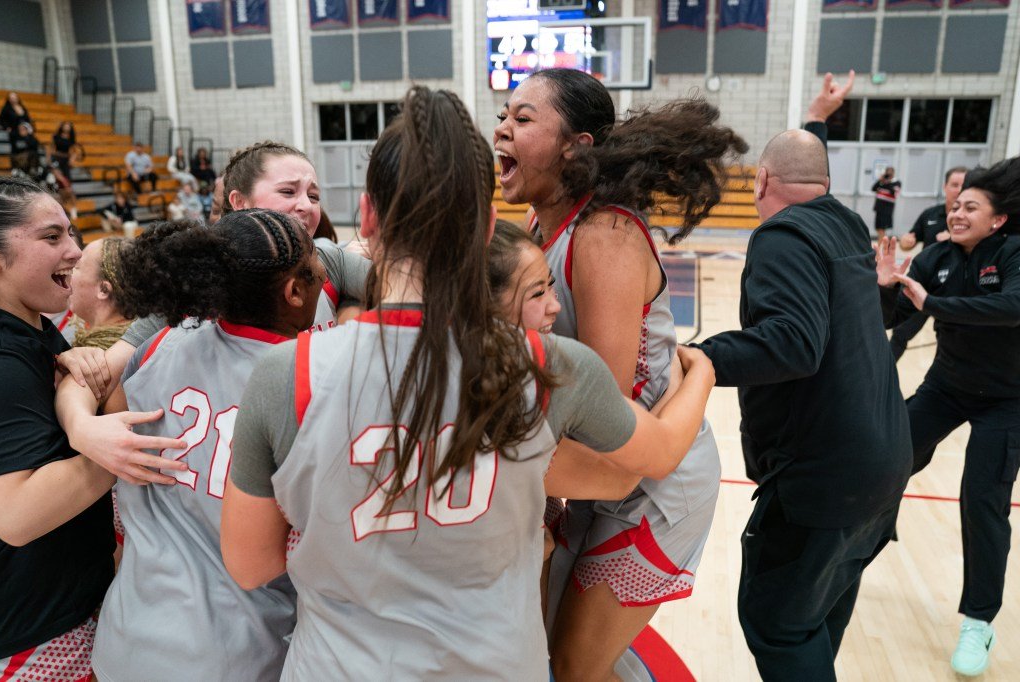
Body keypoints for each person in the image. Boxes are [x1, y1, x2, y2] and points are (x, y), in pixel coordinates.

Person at [217, 85, 716, 680]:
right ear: (489, 232)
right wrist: (703, 372)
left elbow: (250, 565)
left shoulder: (283, 374)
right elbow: (644, 462)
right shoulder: (553, 366)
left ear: (367, 216)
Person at [494, 67, 744, 678]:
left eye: (522, 118)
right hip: (599, 466)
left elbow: (599, 403)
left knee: (574, 664)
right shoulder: (537, 227)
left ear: (575, 146)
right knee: (557, 648)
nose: (501, 128)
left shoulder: (604, 232)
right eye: (503, 115)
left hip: (653, 475)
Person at [694, 73, 913, 682]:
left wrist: (697, 358)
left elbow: (792, 343)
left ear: (761, 181)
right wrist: (816, 116)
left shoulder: (782, 236)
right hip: (882, 467)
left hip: (825, 479)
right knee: (817, 618)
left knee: (779, 625)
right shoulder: (846, 224)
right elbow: (811, 172)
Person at [88, 211, 324, 682]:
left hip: (127, 636)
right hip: (235, 650)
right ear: (295, 292)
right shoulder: (304, 383)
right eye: (317, 260)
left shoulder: (159, 344)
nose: (325, 269)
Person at [54, 141, 370, 488]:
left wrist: (351, 311)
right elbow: (95, 376)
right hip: (228, 483)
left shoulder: (326, 260)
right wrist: (82, 428)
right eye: (288, 191)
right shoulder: (192, 286)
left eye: (313, 195)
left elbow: (402, 292)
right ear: (239, 202)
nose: (305, 205)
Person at [876, 157, 1020, 677]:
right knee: (886, 456)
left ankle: (978, 622)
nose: (956, 213)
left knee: (982, 501)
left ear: (998, 219)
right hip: (948, 387)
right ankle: (859, 546)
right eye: (955, 206)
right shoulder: (935, 256)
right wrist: (884, 287)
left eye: (970, 207)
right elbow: (895, 317)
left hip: (1008, 399)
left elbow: (1012, 308)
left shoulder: (1013, 252)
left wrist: (935, 304)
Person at [0, 176, 118, 681]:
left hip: (62, 608)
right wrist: (121, 452)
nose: (74, 250)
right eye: (51, 237)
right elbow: (17, 514)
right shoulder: (3, 360)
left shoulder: (33, 328)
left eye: (71, 233)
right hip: (33, 633)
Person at [889, 166, 967, 360]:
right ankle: (882, 375)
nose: (959, 189)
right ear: (945, 187)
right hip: (924, 286)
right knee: (900, 333)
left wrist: (954, 237)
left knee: (952, 341)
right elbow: (910, 239)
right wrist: (906, 241)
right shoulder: (930, 214)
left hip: (955, 290)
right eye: (954, 184)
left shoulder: (972, 220)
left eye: (963, 185)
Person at [69, 237, 132, 349]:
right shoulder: (134, 336)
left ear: (103, 290)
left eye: (77, 267)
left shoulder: (102, 354)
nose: (69, 274)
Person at [872, 166, 901, 240]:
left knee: (882, 228)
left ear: (893, 173)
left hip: (887, 209)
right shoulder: (882, 182)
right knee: (878, 228)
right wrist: (880, 180)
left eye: (890, 173)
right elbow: (873, 188)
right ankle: (882, 243)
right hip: (879, 208)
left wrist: (888, 182)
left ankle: (883, 244)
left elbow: (894, 193)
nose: (889, 175)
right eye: (887, 173)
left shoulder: (896, 182)